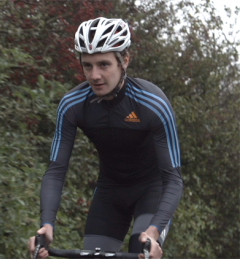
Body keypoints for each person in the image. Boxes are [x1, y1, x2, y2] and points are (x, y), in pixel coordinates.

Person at [28, 17, 183, 259]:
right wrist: (46, 224)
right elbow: (57, 169)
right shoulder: (72, 105)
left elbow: (173, 179)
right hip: (110, 192)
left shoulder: (153, 104)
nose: (95, 75)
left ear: (124, 61)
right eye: (87, 66)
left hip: (153, 191)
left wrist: (154, 232)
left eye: (103, 64)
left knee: (141, 251)